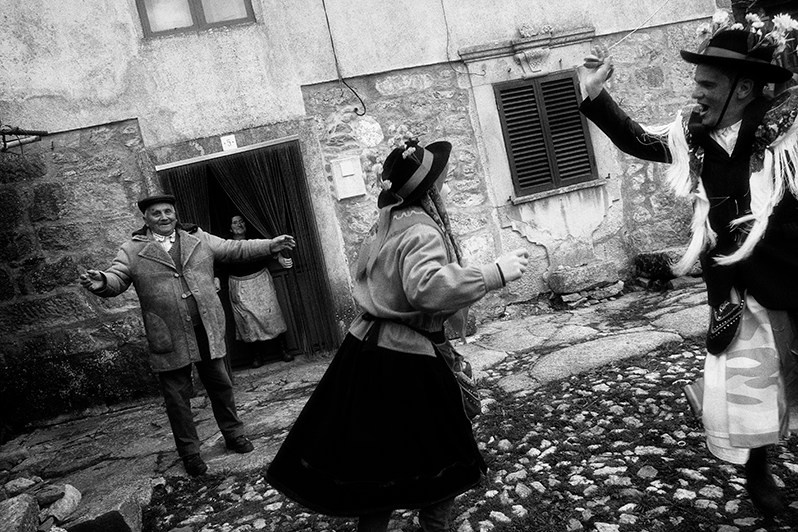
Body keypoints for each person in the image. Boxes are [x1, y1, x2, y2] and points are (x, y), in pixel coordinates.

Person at [578, 13, 798, 517]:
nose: (696, 93)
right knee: (749, 381)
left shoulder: (787, 132)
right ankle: (758, 475)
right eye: (696, 83)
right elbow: (638, 140)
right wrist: (594, 93)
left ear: (743, 88)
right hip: (735, 286)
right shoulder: (695, 134)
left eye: (707, 84)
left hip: (791, 276)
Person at [265, 138, 530, 532]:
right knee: (442, 455)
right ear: (429, 190)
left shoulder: (386, 224)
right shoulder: (421, 231)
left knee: (376, 461)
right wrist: (494, 272)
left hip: (366, 351)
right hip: (405, 358)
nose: (444, 187)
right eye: (440, 181)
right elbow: (426, 289)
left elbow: (376, 281)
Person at [79, 193, 297, 477]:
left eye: (168, 211)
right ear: (145, 219)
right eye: (156, 213)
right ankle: (190, 453)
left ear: (175, 213)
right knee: (176, 397)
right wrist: (103, 281)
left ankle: (234, 435)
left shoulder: (199, 239)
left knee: (221, 384)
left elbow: (235, 248)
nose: (163, 217)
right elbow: (117, 276)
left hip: (205, 327)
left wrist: (270, 245)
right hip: (167, 333)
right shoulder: (132, 250)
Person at [220, 214, 295, 367]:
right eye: (235, 222)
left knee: (272, 316)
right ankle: (256, 356)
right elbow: (218, 262)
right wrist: (215, 278)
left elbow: (271, 247)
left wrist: (279, 257)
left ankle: (283, 350)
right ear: (230, 227)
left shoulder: (255, 239)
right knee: (247, 323)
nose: (239, 224)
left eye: (241, 221)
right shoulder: (225, 245)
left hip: (260, 282)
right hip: (239, 286)